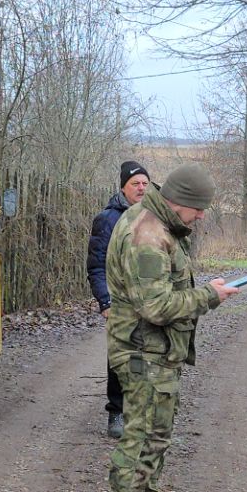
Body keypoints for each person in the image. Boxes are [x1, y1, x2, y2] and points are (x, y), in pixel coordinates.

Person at [103, 163, 239, 492]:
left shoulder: (162, 224)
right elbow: (155, 306)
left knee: (157, 436)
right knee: (141, 437)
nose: (201, 217)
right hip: (143, 352)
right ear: (178, 202)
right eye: (197, 209)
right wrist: (209, 297)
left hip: (157, 352)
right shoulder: (148, 235)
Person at [89, 160, 152, 439]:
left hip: (149, 299)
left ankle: (139, 411)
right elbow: (96, 264)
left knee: (148, 353)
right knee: (119, 356)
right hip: (119, 299)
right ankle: (117, 411)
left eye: (144, 184)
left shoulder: (153, 216)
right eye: (135, 183)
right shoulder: (108, 219)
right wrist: (105, 301)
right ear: (123, 187)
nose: (141, 188)